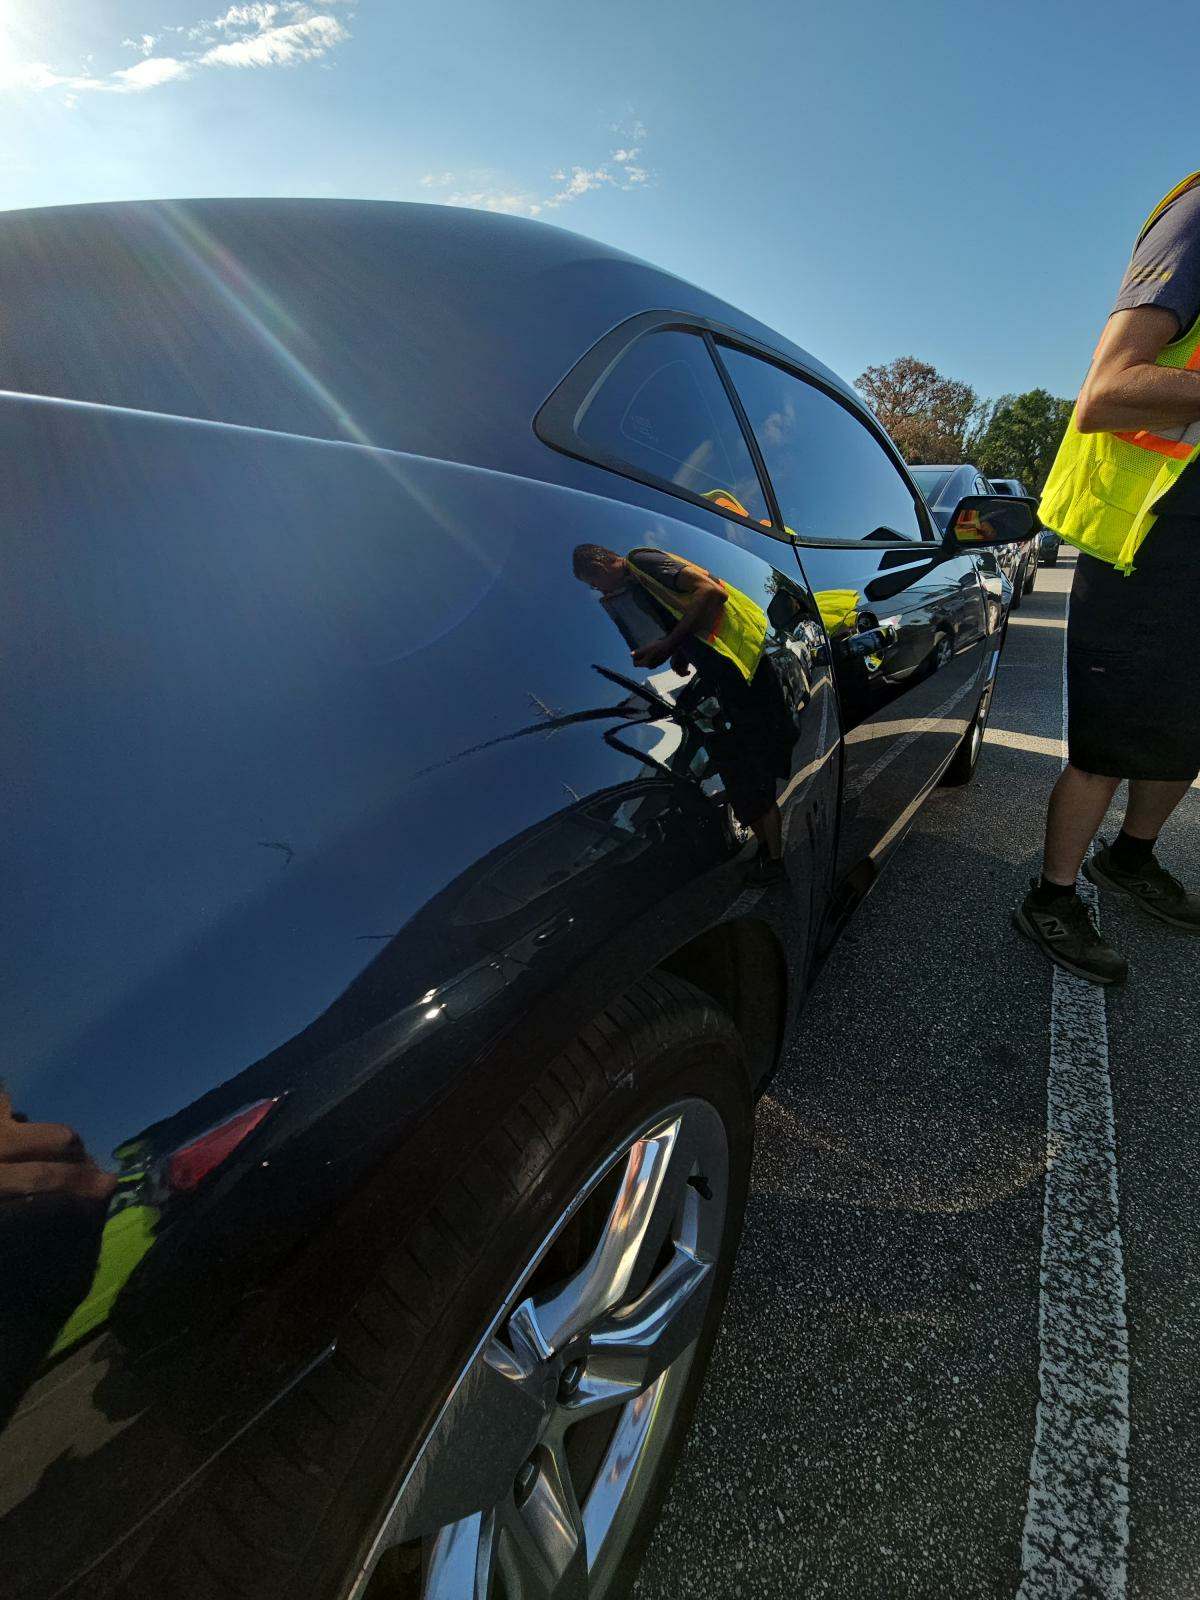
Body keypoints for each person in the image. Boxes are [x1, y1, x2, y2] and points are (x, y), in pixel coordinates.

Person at [1015, 171, 1200, 983]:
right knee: (1105, 748)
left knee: (1183, 735)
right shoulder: (1197, 218)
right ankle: (1051, 898)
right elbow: (1107, 392)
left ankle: (1131, 859)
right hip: (1139, 545)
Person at [572, 542, 794, 883]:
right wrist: (680, 654)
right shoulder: (642, 585)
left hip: (744, 672)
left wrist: (668, 644)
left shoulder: (642, 562)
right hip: (727, 681)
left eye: (594, 582)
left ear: (601, 565)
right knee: (736, 771)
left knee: (752, 769)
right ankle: (765, 851)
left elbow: (710, 593)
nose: (598, 590)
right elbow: (690, 617)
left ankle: (776, 861)